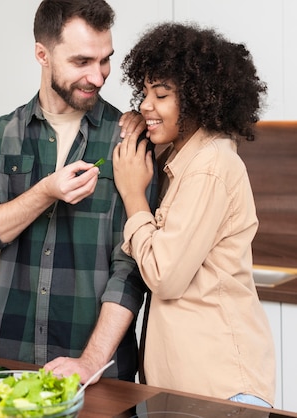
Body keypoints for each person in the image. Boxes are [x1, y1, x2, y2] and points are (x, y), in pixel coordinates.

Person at [0, 0, 157, 384]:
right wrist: (45, 191)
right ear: (42, 54)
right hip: (9, 356)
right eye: (82, 62)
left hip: (100, 372)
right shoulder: (0, 134)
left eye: (105, 60)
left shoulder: (128, 139)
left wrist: (90, 361)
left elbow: (131, 268)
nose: (98, 77)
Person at [112, 22, 275, 407]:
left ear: (200, 100)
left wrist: (134, 196)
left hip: (218, 388)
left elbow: (165, 277)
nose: (146, 105)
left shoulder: (209, 165)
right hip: (187, 389)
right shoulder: (183, 160)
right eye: (145, 93)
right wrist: (144, 129)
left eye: (162, 95)